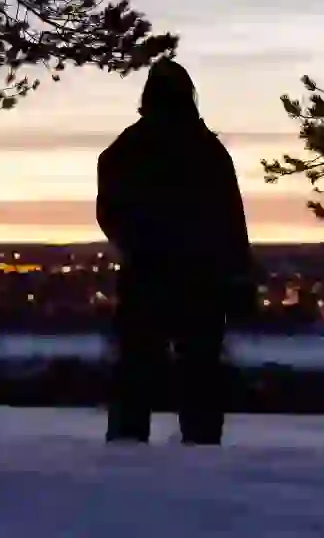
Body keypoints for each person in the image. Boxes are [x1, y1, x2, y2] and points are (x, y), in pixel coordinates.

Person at [96, 59, 255, 445]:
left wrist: (137, 244)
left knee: (136, 376)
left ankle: (126, 456)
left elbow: (109, 213)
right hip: (199, 280)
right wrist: (238, 276)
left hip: (149, 275)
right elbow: (231, 222)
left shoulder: (127, 148)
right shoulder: (207, 151)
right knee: (197, 378)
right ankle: (199, 456)